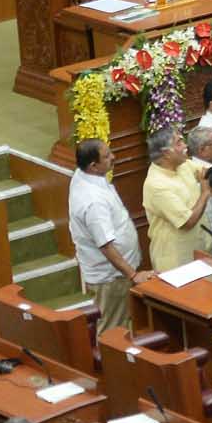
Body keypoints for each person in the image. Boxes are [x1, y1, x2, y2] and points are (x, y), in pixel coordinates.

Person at [68, 140, 150, 330]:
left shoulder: (83, 175)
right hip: (112, 277)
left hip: (115, 274)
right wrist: (133, 274)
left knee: (123, 324)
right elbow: (105, 245)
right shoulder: (93, 201)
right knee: (114, 328)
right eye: (107, 156)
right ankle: (112, 360)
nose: (113, 157)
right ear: (93, 166)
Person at [141, 128, 211, 271]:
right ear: (167, 153)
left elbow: (210, 174)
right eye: (179, 143)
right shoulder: (156, 185)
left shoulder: (183, 164)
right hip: (177, 262)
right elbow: (187, 222)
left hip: (202, 251)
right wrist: (204, 193)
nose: (185, 146)